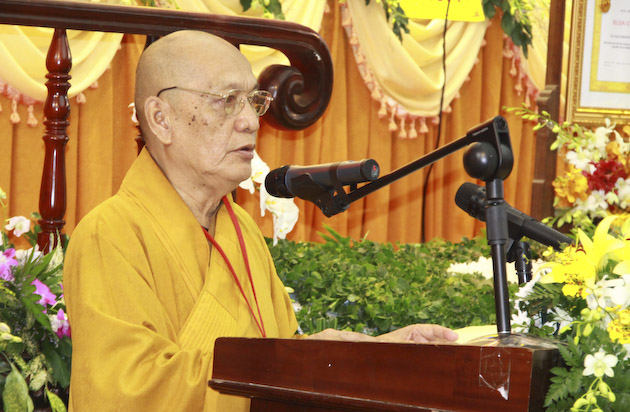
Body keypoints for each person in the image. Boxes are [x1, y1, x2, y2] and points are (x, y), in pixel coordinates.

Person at [63, 30, 458, 412]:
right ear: (161, 119)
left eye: (253, 100)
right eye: (227, 100)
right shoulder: (110, 234)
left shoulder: (241, 230)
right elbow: (128, 396)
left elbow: (280, 355)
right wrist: (297, 363)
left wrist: (371, 355)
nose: (251, 121)